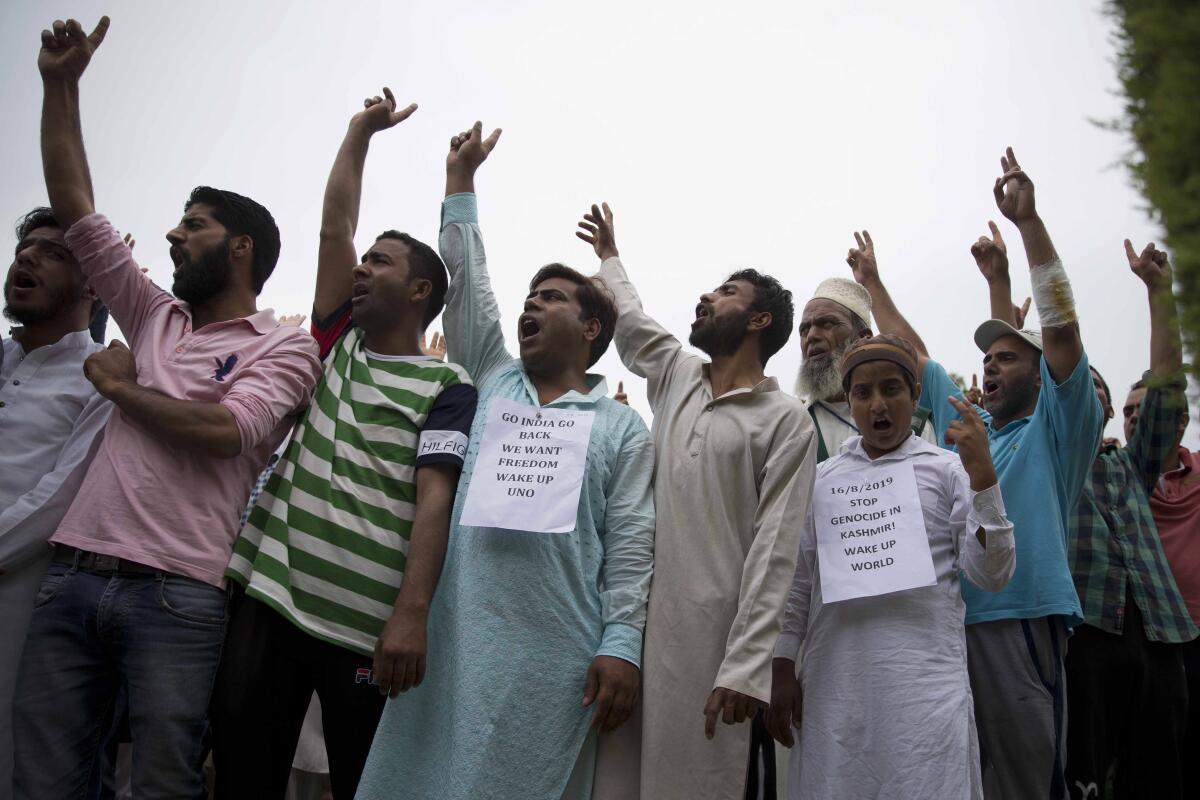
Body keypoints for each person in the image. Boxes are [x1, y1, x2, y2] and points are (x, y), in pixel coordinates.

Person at [13, 17, 321, 799]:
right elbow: (77, 209)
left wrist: (119, 386)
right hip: (73, 573)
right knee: (44, 778)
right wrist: (60, 86)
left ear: (240, 245)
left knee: (161, 785)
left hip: (179, 594)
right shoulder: (154, 314)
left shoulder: (283, 347)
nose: (172, 236)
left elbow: (226, 433)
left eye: (194, 225)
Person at [355, 123, 655, 800]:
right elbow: (471, 278)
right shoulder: (491, 377)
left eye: (551, 297)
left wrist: (621, 644)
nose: (530, 303)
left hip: (556, 656)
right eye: (530, 296)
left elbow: (632, 547)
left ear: (590, 330)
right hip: (455, 643)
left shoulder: (621, 428)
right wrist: (460, 181)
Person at [212, 87, 477, 799]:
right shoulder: (339, 343)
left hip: (367, 627)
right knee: (242, 773)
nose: (362, 268)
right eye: (365, 262)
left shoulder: (449, 386)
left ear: (421, 290)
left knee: (363, 785)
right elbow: (336, 228)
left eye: (381, 262)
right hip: (269, 597)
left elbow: (434, 499)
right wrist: (360, 133)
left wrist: (411, 615)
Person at [579, 203, 817, 800]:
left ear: (759, 319)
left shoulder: (786, 420)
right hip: (636, 635)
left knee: (696, 782)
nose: (706, 298)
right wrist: (610, 258)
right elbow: (632, 325)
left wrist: (745, 666)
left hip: (715, 648)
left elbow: (774, 551)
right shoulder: (679, 375)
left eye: (727, 292)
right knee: (619, 782)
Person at [887, 148, 1102, 799]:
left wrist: (1028, 224)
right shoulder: (967, 443)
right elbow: (913, 358)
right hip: (952, 629)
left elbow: (1059, 330)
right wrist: (871, 282)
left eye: (1008, 357)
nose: (990, 366)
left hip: (1020, 622)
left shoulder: (1057, 429)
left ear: (1043, 376)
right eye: (986, 358)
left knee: (1028, 783)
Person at [768, 334, 1015, 799]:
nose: (878, 405)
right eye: (863, 393)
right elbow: (800, 580)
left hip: (924, 685)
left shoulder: (948, 470)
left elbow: (991, 574)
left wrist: (983, 479)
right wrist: (782, 665)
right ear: (849, 399)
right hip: (836, 685)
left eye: (891, 389)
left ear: (915, 396)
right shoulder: (822, 480)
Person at [1062, 240, 1196, 800]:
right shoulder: (1051, 467)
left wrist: (1159, 293)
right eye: (1073, 393)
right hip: (1087, 634)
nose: (1087, 398)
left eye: (1097, 391)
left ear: (1112, 412)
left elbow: (1166, 392)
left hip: (1163, 634)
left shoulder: (1133, 464)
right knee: (1085, 780)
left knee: (1162, 777)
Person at [0, 207, 111, 795]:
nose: (27, 258)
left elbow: (56, 501)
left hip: (24, 598)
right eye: (26, 248)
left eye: (54, 253)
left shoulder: (99, 375)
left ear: (95, 284)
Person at [796, 232, 937, 461]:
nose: (811, 336)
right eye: (804, 329)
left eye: (826, 324)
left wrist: (872, 281)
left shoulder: (913, 423)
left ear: (862, 338)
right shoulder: (795, 424)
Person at [1134, 379, 1200, 798]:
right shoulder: (1117, 472)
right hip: (1150, 640)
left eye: (1145, 409)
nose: (1136, 419)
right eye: (1127, 412)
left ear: (1181, 421)